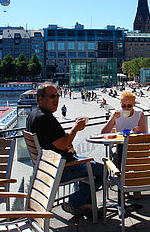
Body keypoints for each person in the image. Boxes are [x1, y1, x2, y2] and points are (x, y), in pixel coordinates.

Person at [26, 82, 103, 216]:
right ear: (40, 99)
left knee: (90, 165)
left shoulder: (34, 115)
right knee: (103, 171)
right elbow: (62, 144)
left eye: (57, 95)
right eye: (52, 96)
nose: (56, 99)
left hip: (48, 167)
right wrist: (76, 128)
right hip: (61, 169)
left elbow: (55, 140)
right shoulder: (44, 118)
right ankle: (74, 202)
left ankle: (86, 205)